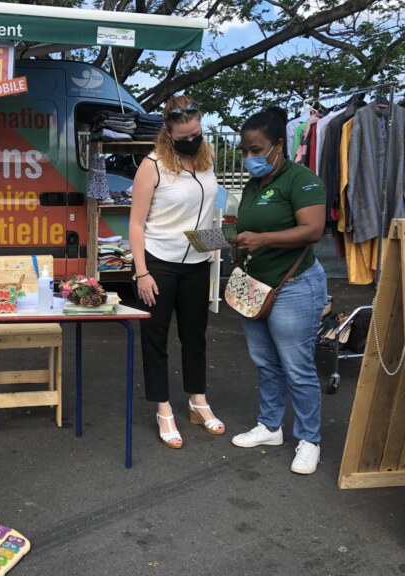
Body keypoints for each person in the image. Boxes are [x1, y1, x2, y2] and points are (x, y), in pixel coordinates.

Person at [229, 106, 328, 474]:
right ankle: (270, 426)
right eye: (245, 150)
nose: (250, 157)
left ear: (278, 146)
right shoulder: (256, 184)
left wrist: (263, 238)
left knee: (297, 367)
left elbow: (313, 229)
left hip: (294, 287)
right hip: (255, 287)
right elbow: (253, 228)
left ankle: (309, 439)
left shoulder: (301, 180)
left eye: (257, 150)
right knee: (265, 362)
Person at [129, 96, 223, 450]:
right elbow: (136, 225)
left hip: (197, 262)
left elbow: (202, 216)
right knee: (156, 338)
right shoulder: (152, 166)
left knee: (195, 335)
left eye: (196, 132)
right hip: (158, 262)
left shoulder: (206, 159)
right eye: (183, 136)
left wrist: (223, 239)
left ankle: (198, 401)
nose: (191, 139)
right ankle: (163, 408)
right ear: (168, 133)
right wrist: (141, 273)